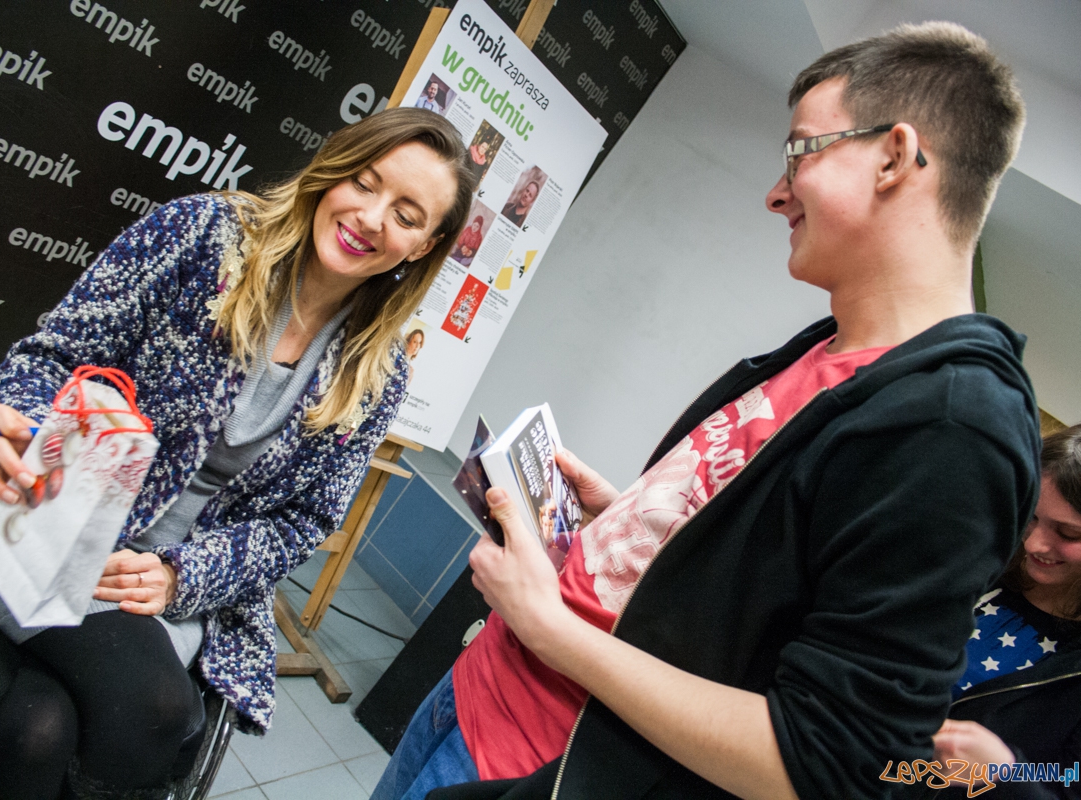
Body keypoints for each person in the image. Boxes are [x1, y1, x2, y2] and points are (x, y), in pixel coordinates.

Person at [372, 22, 1040, 800]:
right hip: (477, 689)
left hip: (540, 768)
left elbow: (819, 763)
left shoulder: (954, 429)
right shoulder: (827, 349)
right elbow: (760, 587)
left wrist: (551, 630)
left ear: (894, 156)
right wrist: (635, 520)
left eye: (802, 151)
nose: (777, 191)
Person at [0, 107, 475, 799]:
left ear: (425, 245)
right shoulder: (202, 234)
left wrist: (184, 576)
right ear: (334, 170)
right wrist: (28, 441)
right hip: (52, 524)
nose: (370, 216)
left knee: (43, 730)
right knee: (156, 713)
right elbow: (53, 355)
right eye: (365, 181)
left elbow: (305, 522)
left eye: (408, 214)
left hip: (168, 584)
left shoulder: (379, 372)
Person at [927, 425, 1081, 799]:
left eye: (1069, 533)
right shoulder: (980, 559)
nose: (1033, 543)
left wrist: (1004, 776)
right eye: (1031, 515)